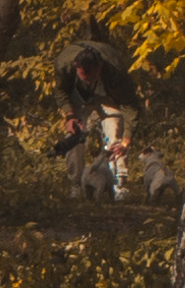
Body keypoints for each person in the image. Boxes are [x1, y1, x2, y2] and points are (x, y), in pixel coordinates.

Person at [53, 25, 140, 199]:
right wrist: (69, 114)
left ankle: (119, 185)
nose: (89, 80)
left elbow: (130, 105)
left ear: (100, 66)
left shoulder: (116, 70)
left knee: (115, 134)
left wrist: (127, 139)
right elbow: (60, 91)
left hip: (108, 96)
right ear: (76, 66)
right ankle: (76, 184)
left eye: (92, 76)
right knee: (75, 137)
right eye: (84, 76)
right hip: (77, 97)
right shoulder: (64, 63)